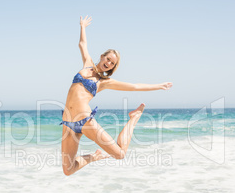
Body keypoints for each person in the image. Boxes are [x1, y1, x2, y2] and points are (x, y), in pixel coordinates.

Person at [61, 16, 172, 176]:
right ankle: (94, 157)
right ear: (102, 57)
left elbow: (134, 86)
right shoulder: (87, 64)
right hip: (67, 122)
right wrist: (83, 26)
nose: (109, 63)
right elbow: (82, 44)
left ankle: (134, 117)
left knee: (120, 154)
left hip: (84, 120)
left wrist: (159, 86)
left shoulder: (104, 81)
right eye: (108, 59)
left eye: (112, 63)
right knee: (68, 169)